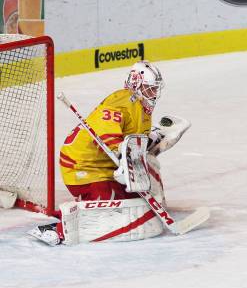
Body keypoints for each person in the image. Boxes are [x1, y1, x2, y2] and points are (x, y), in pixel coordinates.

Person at [31, 61, 170, 246]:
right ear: (136, 84)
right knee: (110, 208)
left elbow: (135, 141)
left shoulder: (143, 108)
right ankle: (60, 227)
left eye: (155, 89)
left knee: (133, 202)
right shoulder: (120, 101)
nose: (154, 94)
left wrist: (156, 138)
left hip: (103, 167)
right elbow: (108, 134)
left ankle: (82, 207)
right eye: (149, 88)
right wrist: (123, 160)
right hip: (81, 166)